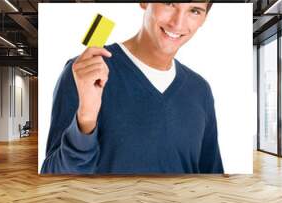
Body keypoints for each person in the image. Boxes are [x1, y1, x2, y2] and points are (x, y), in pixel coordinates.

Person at [41, 2, 224, 174]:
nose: (178, 23)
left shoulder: (200, 90)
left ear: (204, 19)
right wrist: (86, 119)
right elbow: (54, 178)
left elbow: (212, 176)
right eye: (169, 2)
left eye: (194, 10)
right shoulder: (85, 73)